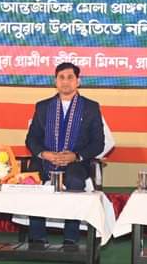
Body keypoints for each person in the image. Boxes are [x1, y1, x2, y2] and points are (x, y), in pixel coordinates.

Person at [25, 62, 104, 249]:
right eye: (61, 77)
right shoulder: (43, 106)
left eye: (70, 77)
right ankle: (37, 237)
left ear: (78, 81)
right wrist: (44, 153)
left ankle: (71, 237)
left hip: (75, 162)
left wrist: (76, 156)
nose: (65, 81)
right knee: (32, 179)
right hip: (46, 160)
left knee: (75, 180)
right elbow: (31, 139)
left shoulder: (90, 107)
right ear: (55, 81)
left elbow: (98, 143)